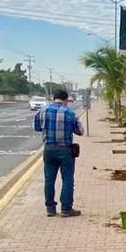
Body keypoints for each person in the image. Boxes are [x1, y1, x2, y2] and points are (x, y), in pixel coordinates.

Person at [34, 89, 84, 217]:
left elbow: (37, 127)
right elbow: (80, 131)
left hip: (49, 149)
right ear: (65, 99)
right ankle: (66, 209)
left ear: (53, 98)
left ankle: (50, 209)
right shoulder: (70, 113)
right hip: (65, 150)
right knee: (67, 179)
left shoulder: (42, 111)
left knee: (49, 179)